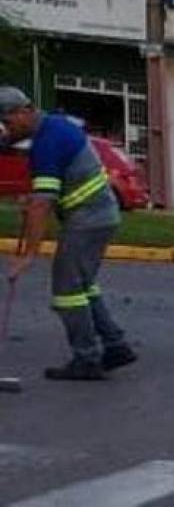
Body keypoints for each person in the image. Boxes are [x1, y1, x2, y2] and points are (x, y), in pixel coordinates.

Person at [0, 87, 137, 380]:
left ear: (23, 112)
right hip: (99, 216)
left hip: (88, 220)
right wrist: (36, 201)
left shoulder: (46, 143)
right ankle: (115, 345)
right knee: (83, 285)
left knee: (67, 291)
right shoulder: (55, 127)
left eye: (7, 123)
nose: (6, 131)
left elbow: (43, 202)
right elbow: (49, 192)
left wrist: (28, 255)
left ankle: (87, 359)